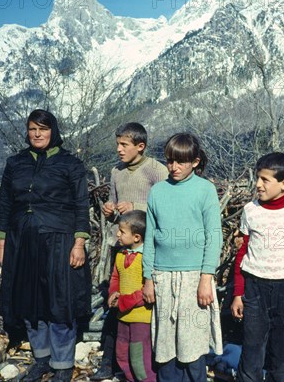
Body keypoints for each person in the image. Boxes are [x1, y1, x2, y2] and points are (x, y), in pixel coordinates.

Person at [0, 109, 91, 382]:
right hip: (21, 241)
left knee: (59, 302)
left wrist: (79, 243)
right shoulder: (16, 163)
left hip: (58, 241)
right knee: (29, 301)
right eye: (32, 129)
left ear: (54, 131)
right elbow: (5, 205)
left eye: (43, 129)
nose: (37, 134)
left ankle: (62, 365)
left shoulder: (70, 164)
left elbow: (81, 205)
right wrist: (2, 244)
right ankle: (42, 359)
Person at [142, 133, 223, 381]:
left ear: (195, 162)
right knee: (165, 342)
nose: (174, 167)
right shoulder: (158, 191)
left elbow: (214, 236)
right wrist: (148, 278)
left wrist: (206, 278)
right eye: (169, 161)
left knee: (191, 341)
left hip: (193, 277)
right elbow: (150, 236)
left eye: (181, 162)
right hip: (162, 276)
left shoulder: (205, 190)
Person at [92, 122, 168, 381]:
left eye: (124, 145)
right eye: (118, 144)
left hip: (147, 250)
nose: (119, 149)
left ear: (140, 146)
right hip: (123, 247)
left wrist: (135, 205)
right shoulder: (116, 172)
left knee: (142, 304)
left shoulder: (156, 170)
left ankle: (148, 365)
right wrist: (111, 211)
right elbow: (118, 215)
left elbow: (166, 205)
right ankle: (113, 361)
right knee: (117, 300)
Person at [231, 152, 284, 382]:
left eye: (265, 180)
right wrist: (238, 294)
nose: (258, 184)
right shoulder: (251, 211)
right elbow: (242, 254)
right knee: (251, 350)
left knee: (282, 353)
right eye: (258, 178)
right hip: (254, 288)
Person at [108, 210, 156, 382]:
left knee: (139, 359)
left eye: (122, 231)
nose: (118, 234)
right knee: (121, 353)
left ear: (136, 237)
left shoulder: (147, 258)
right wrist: (113, 292)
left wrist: (123, 301)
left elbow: (148, 289)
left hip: (140, 318)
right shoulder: (121, 255)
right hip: (123, 316)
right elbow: (116, 277)